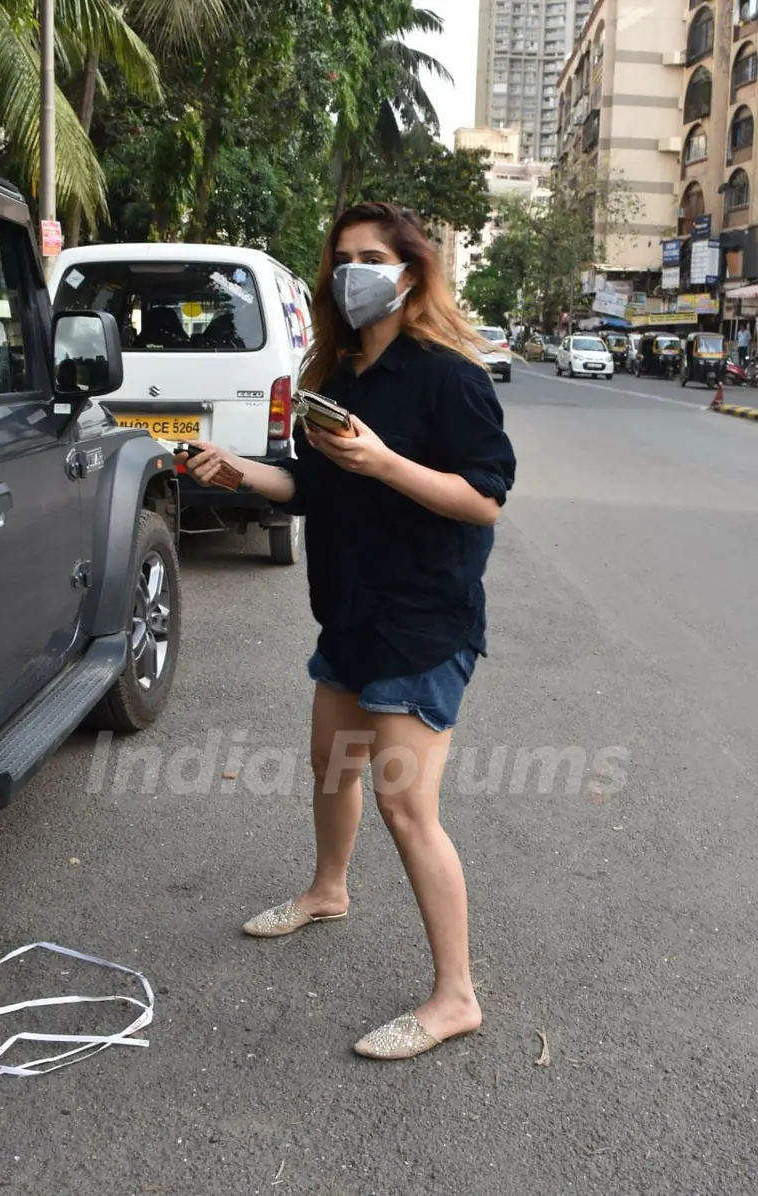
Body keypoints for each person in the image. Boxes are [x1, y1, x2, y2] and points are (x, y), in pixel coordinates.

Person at [181, 202, 516, 1061]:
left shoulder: (449, 377)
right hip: (351, 610)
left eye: (371, 256)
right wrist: (245, 472)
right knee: (333, 765)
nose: (352, 271)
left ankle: (456, 997)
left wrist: (386, 461)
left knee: (407, 805)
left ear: (411, 273)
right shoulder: (335, 372)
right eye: (341, 258)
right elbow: (311, 485)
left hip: (423, 615)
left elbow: (483, 496)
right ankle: (329, 889)